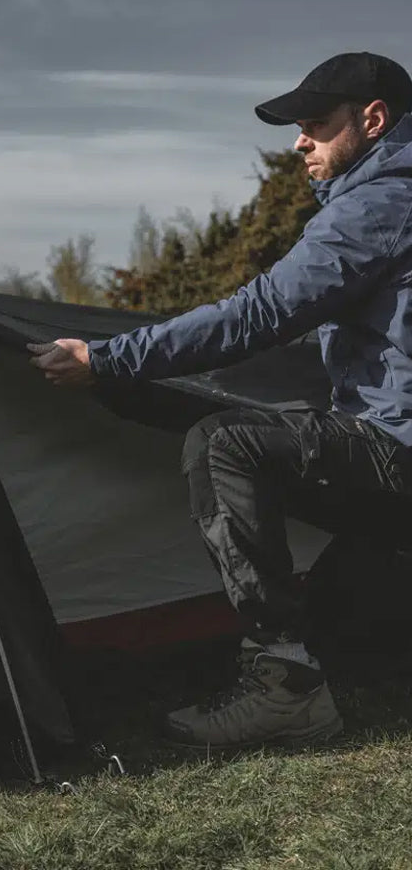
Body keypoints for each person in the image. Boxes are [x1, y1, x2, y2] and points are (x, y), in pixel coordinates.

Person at [29, 51, 412, 749]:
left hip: (402, 448)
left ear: (374, 119)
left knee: (225, 442)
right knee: (340, 602)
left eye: (316, 124)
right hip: (386, 437)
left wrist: (110, 358)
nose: (300, 141)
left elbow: (260, 314)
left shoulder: (384, 202)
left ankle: (287, 686)